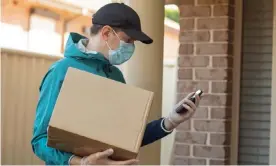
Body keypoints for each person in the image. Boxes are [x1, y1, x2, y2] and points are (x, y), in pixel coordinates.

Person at [31, 3, 201, 165]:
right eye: (128, 40)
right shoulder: (61, 71)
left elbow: (126, 139)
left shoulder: (115, 75)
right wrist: (81, 163)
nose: (131, 47)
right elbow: (39, 140)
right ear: (106, 33)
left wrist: (170, 121)